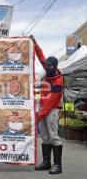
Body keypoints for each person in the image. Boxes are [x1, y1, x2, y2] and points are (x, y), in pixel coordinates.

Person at [31, 35, 63, 175]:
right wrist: (35, 43)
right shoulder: (48, 70)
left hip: (51, 110)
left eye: (49, 67)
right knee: (45, 137)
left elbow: (52, 101)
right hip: (43, 109)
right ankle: (46, 162)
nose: (47, 68)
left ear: (55, 67)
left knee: (53, 136)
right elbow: (41, 56)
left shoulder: (58, 81)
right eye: (46, 66)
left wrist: (40, 114)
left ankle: (57, 165)